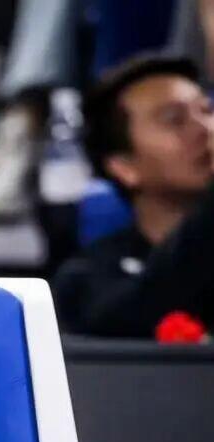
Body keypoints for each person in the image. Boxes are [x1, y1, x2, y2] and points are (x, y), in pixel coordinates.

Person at [53, 55, 214, 339]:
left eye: (207, 111)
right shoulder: (87, 280)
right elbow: (141, 307)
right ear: (124, 167)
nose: (205, 129)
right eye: (174, 120)